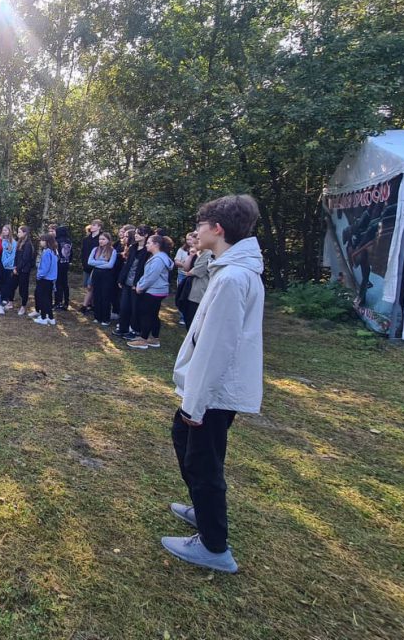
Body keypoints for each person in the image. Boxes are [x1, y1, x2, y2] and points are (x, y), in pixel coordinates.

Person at [163, 194, 265, 574]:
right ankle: (203, 510)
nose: (196, 231)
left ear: (217, 229)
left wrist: (195, 403)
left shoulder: (233, 278)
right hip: (212, 390)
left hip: (213, 392)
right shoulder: (231, 270)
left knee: (203, 461)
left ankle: (214, 546)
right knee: (186, 442)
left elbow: (217, 347)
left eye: (200, 225)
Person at [128, 234, 174, 349]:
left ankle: (143, 340)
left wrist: (140, 287)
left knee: (146, 314)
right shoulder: (159, 257)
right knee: (153, 314)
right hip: (157, 290)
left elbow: (151, 277)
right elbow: (147, 274)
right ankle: (154, 339)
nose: (146, 245)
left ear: (156, 245)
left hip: (154, 291)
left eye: (149, 243)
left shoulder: (158, 259)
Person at [115, 226, 150, 339]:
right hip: (127, 282)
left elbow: (145, 270)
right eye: (136, 233)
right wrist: (121, 279)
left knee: (136, 308)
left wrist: (139, 284)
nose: (136, 235)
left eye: (139, 233)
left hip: (138, 284)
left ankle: (135, 330)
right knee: (124, 306)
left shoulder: (148, 251)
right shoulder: (132, 247)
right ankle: (123, 328)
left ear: (146, 235)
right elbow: (127, 265)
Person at [88, 232, 118, 325]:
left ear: (108, 240)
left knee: (105, 296)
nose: (101, 241)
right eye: (100, 239)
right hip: (96, 274)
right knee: (97, 295)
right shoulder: (95, 249)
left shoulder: (112, 251)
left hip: (107, 275)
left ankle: (105, 319)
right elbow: (90, 262)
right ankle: (97, 317)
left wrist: (97, 263)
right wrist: (103, 262)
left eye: (103, 239)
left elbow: (110, 265)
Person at [33, 232, 58, 326]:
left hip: (44, 279)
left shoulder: (47, 252)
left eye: (42, 240)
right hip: (51, 279)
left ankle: (43, 318)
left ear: (47, 241)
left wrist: (39, 276)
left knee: (43, 298)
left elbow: (45, 267)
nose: (40, 242)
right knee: (48, 298)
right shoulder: (53, 251)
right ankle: (51, 318)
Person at [79, 220, 102, 312]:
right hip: (86, 266)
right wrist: (83, 263)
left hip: (96, 267)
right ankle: (91, 304)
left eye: (94, 225)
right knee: (87, 285)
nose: (92, 226)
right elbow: (83, 252)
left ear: (99, 227)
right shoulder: (86, 239)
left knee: (91, 286)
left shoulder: (101, 238)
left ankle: (85, 306)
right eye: (91, 225)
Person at [12, 225, 35, 316]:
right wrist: (14, 267)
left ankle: (23, 306)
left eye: (19, 232)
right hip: (17, 269)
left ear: (25, 233)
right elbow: (16, 256)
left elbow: (25, 259)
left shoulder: (28, 244)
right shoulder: (19, 242)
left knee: (23, 289)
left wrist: (17, 269)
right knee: (12, 286)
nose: (18, 234)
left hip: (24, 270)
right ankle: (10, 302)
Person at [174, 232, 195, 325]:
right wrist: (185, 265)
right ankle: (182, 317)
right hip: (182, 275)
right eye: (187, 239)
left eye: (190, 239)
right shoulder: (181, 250)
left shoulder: (199, 250)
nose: (189, 241)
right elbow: (176, 261)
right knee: (182, 295)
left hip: (193, 276)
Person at [53, 225, 73, 311]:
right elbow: (71, 253)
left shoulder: (56, 241)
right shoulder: (69, 241)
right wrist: (69, 261)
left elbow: (55, 254)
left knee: (58, 284)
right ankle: (66, 302)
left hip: (58, 265)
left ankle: (58, 302)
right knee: (65, 284)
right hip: (66, 264)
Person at [0, 224, 17, 310]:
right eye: (3, 230)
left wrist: (5, 263)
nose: (4, 231)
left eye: (6, 230)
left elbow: (13, 255)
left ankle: (5, 298)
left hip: (9, 266)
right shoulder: (0, 240)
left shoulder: (13, 242)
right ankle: (2, 296)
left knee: (7, 283)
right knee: (0, 282)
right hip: (0, 265)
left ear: (9, 231)